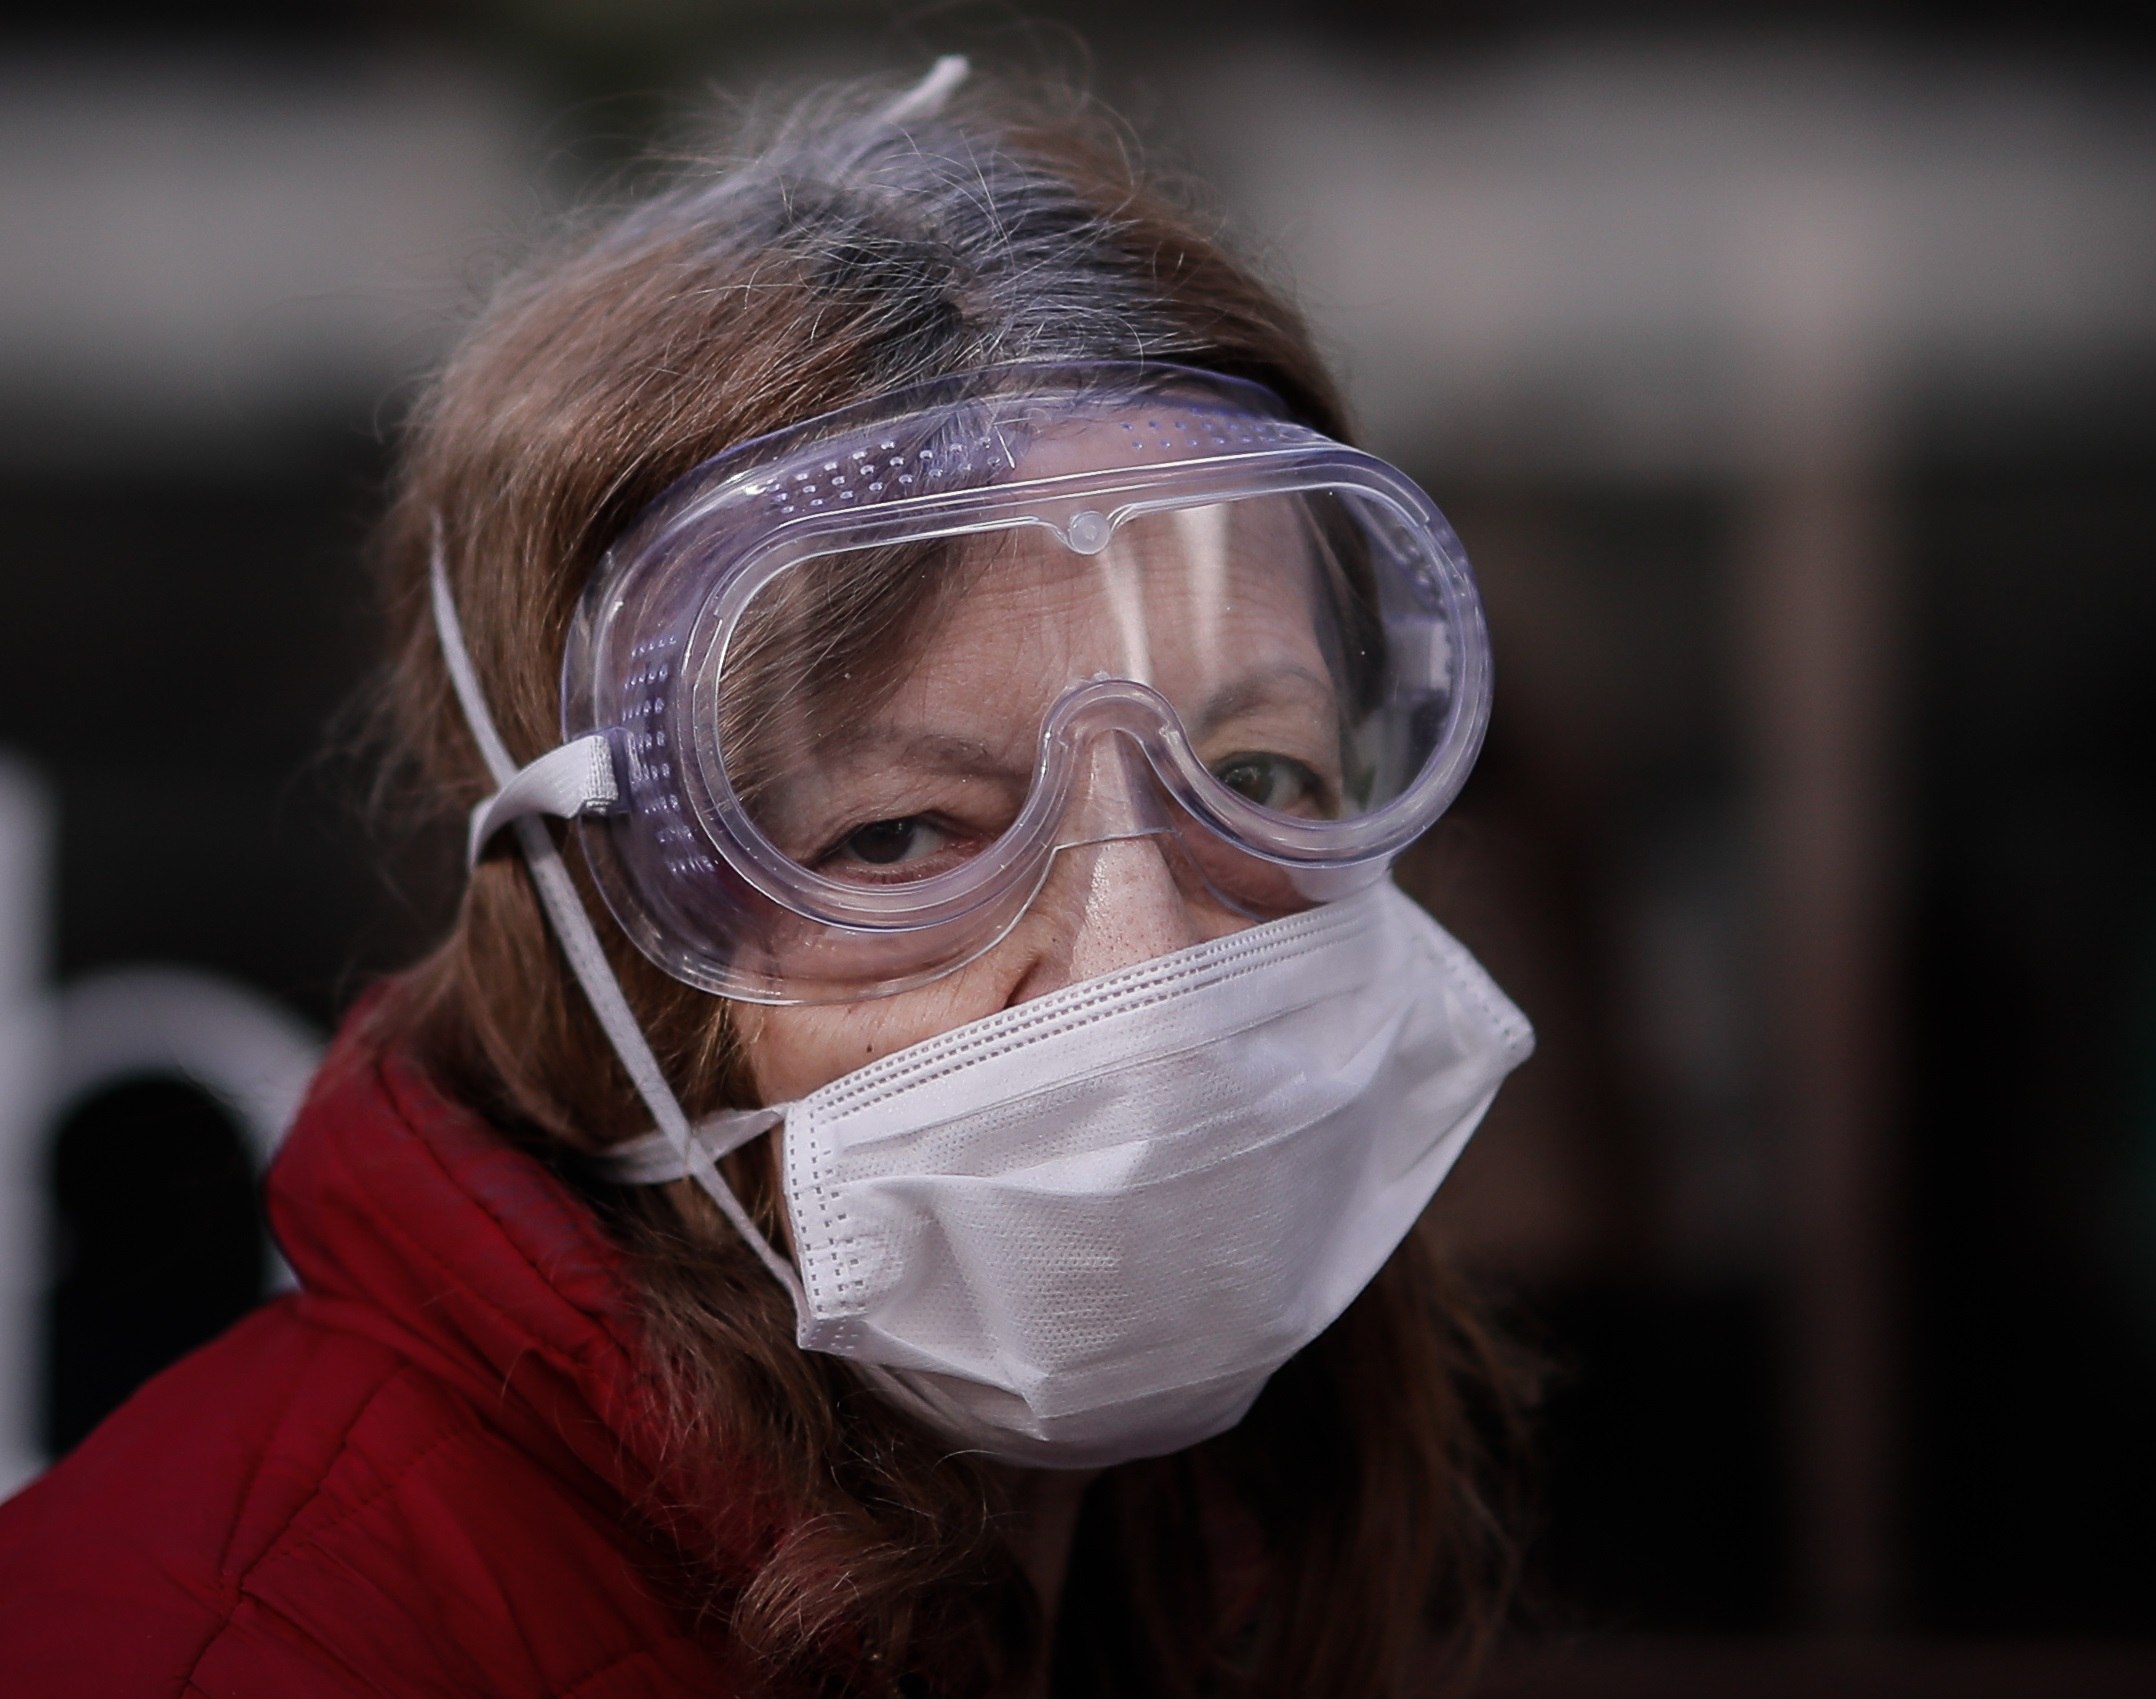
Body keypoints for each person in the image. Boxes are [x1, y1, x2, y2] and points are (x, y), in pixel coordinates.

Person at [0, 60, 1537, 1699]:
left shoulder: (1209, 1551)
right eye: (895, 833)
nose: (1139, 965)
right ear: (591, 925)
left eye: (1250, 776)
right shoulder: (226, 1643)